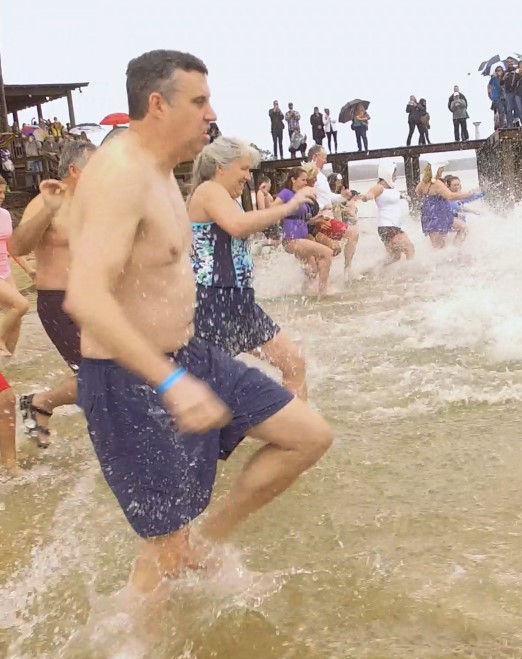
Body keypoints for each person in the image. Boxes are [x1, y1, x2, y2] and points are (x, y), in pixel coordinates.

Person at [64, 49, 332, 605]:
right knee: (161, 549)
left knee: (307, 436)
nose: (212, 114)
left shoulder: (165, 173)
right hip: (132, 379)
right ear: (157, 105)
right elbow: (85, 296)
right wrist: (168, 381)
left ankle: (204, 544)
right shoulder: (121, 175)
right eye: (200, 101)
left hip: (190, 356)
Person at [187, 136, 316, 398]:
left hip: (239, 303)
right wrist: (289, 206)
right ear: (221, 167)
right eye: (244, 169)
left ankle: (298, 435)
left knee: (294, 363)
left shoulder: (225, 197)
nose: (248, 176)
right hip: (213, 303)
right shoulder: (208, 191)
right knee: (210, 394)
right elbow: (238, 225)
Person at [9, 141, 95, 448]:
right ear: (74, 170)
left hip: (94, 301)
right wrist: (48, 209)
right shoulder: (46, 200)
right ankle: (41, 402)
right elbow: (16, 247)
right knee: (98, 373)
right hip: (58, 301)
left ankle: (44, 403)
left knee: (119, 369)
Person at [0, 176, 26, 473]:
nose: (3, 196)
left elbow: (12, 246)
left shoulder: (6, 215)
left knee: (5, 398)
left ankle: (10, 465)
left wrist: (28, 268)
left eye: (5, 190)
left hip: (5, 271)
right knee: (19, 305)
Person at [277, 167, 335, 295]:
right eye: (302, 180)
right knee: (327, 253)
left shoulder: (299, 195)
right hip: (292, 239)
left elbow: (299, 219)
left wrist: (313, 220)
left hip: (301, 238)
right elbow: (272, 209)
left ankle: (304, 294)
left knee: (312, 270)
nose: (305, 182)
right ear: (293, 179)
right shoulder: (286, 193)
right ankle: (323, 292)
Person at [306, 144, 361, 272]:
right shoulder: (309, 175)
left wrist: (344, 197)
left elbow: (329, 196)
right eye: (324, 157)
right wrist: (318, 209)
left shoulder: (321, 176)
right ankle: (344, 271)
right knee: (347, 237)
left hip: (325, 218)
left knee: (332, 249)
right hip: (319, 219)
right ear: (315, 157)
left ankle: (344, 271)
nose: (326, 160)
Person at [417, 161, 482, 249]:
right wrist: (466, 194)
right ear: (436, 170)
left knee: (461, 228)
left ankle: (453, 251)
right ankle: (455, 249)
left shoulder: (423, 183)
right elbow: (450, 196)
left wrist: (430, 200)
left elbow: (417, 192)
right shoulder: (437, 183)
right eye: (441, 170)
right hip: (439, 215)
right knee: (461, 229)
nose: (442, 172)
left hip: (429, 216)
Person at [359, 162, 414, 264]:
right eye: (393, 175)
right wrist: (366, 197)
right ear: (387, 174)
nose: (395, 178)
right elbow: (370, 194)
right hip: (387, 226)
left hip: (393, 226)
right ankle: (412, 271)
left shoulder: (392, 189)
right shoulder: (379, 187)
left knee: (395, 257)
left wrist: (406, 197)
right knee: (409, 248)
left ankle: (376, 272)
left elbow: (396, 196)